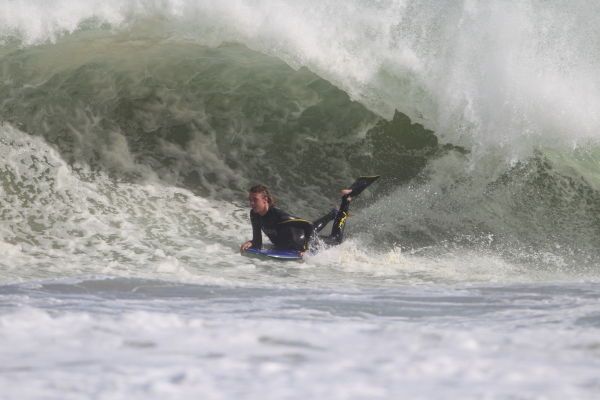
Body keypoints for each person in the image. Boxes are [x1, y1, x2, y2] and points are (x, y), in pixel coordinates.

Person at [240, 177, 378, 254]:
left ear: (265, 200)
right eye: (250, 199)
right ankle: (332, 214)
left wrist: (306, 249)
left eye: (255, 200)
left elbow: (308, 225)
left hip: (303, 243)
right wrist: (251, 243)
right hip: (293, 239)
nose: (251, 203)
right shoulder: (255, 215)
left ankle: (346, 200)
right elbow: (257, 241)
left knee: (336, 239)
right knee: (302, 229)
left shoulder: (278, 215)